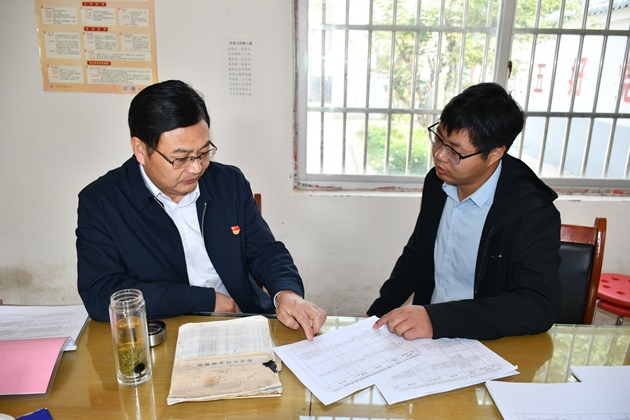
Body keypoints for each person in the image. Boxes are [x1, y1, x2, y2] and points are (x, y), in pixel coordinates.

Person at [77, 79, 326, 340]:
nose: (196, 168)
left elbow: (264, 250)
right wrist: (206, 300)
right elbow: (101, 294)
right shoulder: (102, 202)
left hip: (244, 321)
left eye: (204, 152)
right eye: (181, 158)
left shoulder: (228, 183)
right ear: (141, 149)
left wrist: (286, 292)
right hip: (165, 331)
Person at [368, 82, 562, 340]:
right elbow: (417, 256)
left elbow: (538, 305)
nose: (439, 155)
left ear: (494, 154)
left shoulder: (531, 211)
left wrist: (435, 319)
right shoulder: (438, 182)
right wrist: (373, 319)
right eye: (438, 140)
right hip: (427, 339)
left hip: (487, 340)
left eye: (455, 151)